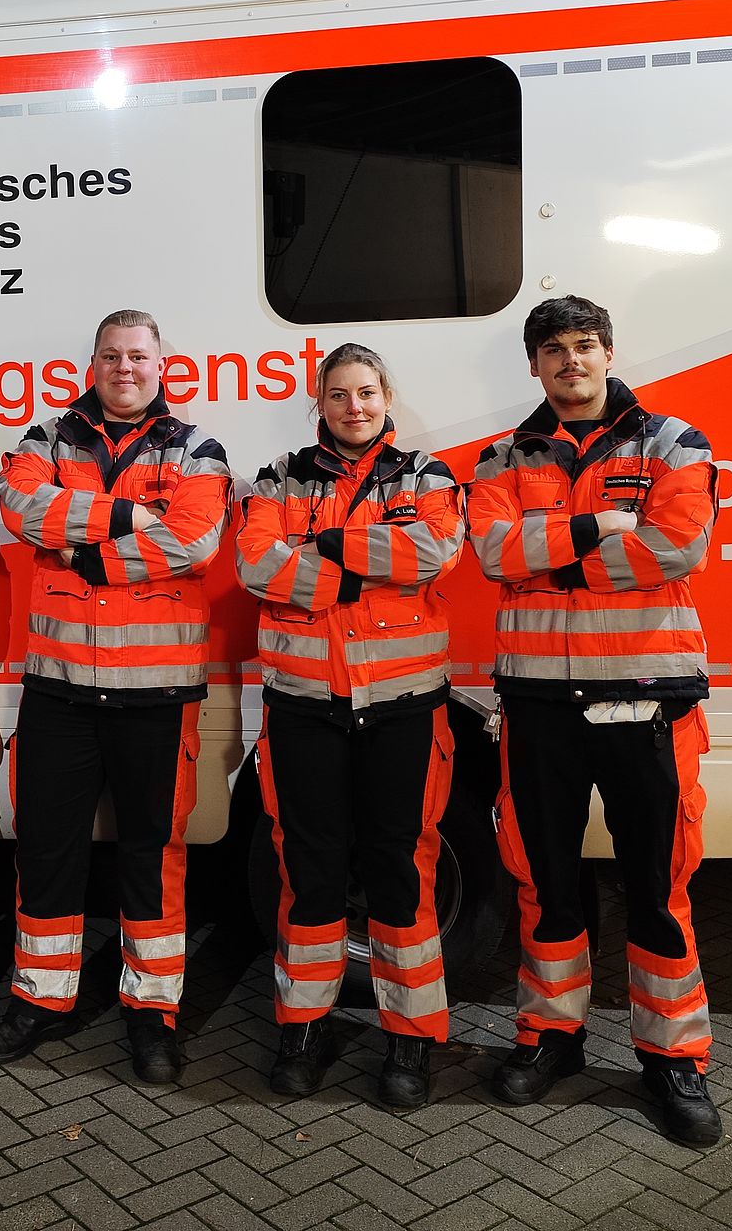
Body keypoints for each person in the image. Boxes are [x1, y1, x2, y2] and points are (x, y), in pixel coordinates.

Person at [467, 295, 723, 1147]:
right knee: (545, 883)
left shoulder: (673, 442)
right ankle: (551, 1038)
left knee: (659, 885)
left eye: (584, 346)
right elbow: (494, 556)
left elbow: (677, 547)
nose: (569, 362)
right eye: (552, 350)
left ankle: (672, 1059)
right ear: (533, 366)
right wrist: (605, 525)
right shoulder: (504, 454)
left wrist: (556, 559)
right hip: (540, 701)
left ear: (608, 353)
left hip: (647, 696)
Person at [0, 309, 232, 1083]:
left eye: (139, 356)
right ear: (92, 363)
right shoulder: (44, 440)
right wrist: (131, 516)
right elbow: (22, 509)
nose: (126, 368)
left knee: (151, 857)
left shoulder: (199, 447)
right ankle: (39, 1000)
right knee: (47, 848)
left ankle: (152, 1012)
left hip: (158, 695)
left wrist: (88, 560)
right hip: (58, 690)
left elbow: (194, 540)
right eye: (112, 356)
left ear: (163, 364)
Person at [235, 343, 467, 1108]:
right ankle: (304, 1024)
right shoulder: (278, 478)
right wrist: (375, 561)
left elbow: (435, 552)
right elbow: (255, 565)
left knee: (402, 874)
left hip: (402, 710)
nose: (355, 407)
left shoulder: (427, 475)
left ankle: (412, 1037)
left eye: (366, 393)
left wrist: (323, 546)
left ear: (386, 394)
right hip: (304, 710)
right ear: (319, 402)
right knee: (309, 875)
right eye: (339, 395)